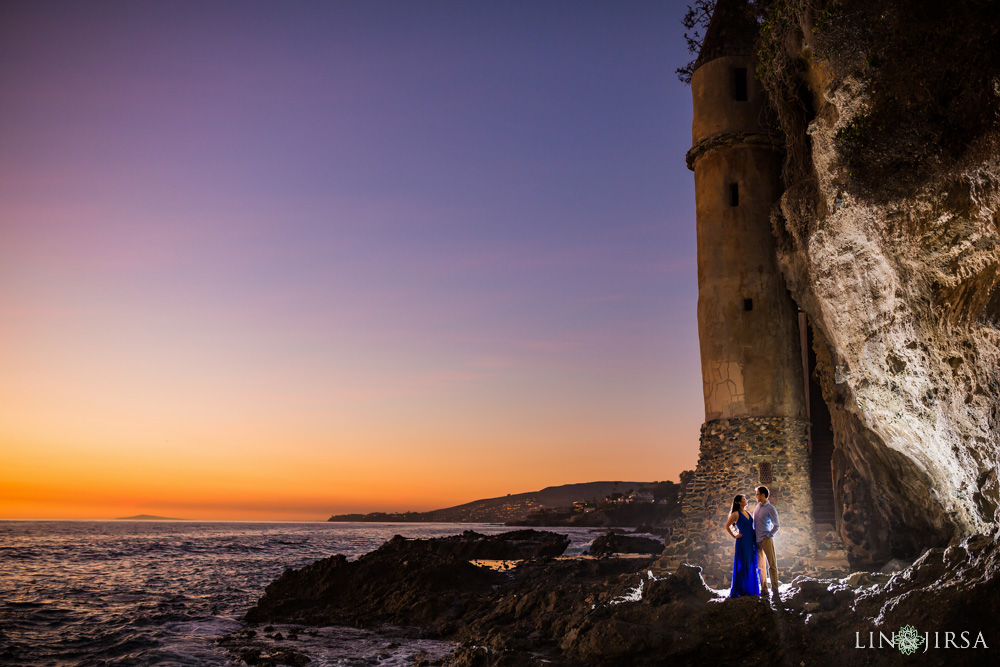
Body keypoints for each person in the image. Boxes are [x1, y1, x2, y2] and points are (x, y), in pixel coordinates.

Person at [724, 493, 760, 597]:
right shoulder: (736, 513)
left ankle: (749, 588)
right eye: (744, 499)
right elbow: (727, 526)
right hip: (743, 542)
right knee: (743, 564)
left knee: (750, 563)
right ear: (739, 502)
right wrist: (734, 536)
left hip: (750, 541)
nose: (746, 500)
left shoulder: (747, 512)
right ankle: (741, 589)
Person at [753, 485, 780, 598]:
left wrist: (768, 536)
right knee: (761, 567)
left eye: (758, 494)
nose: (756, 496)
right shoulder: (757, 507)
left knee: (772, 565)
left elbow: (776, 525)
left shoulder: (771, 508)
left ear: (763, 495)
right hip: (757, 541)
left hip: (766, 540)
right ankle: (764, 589)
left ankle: (775, 589)